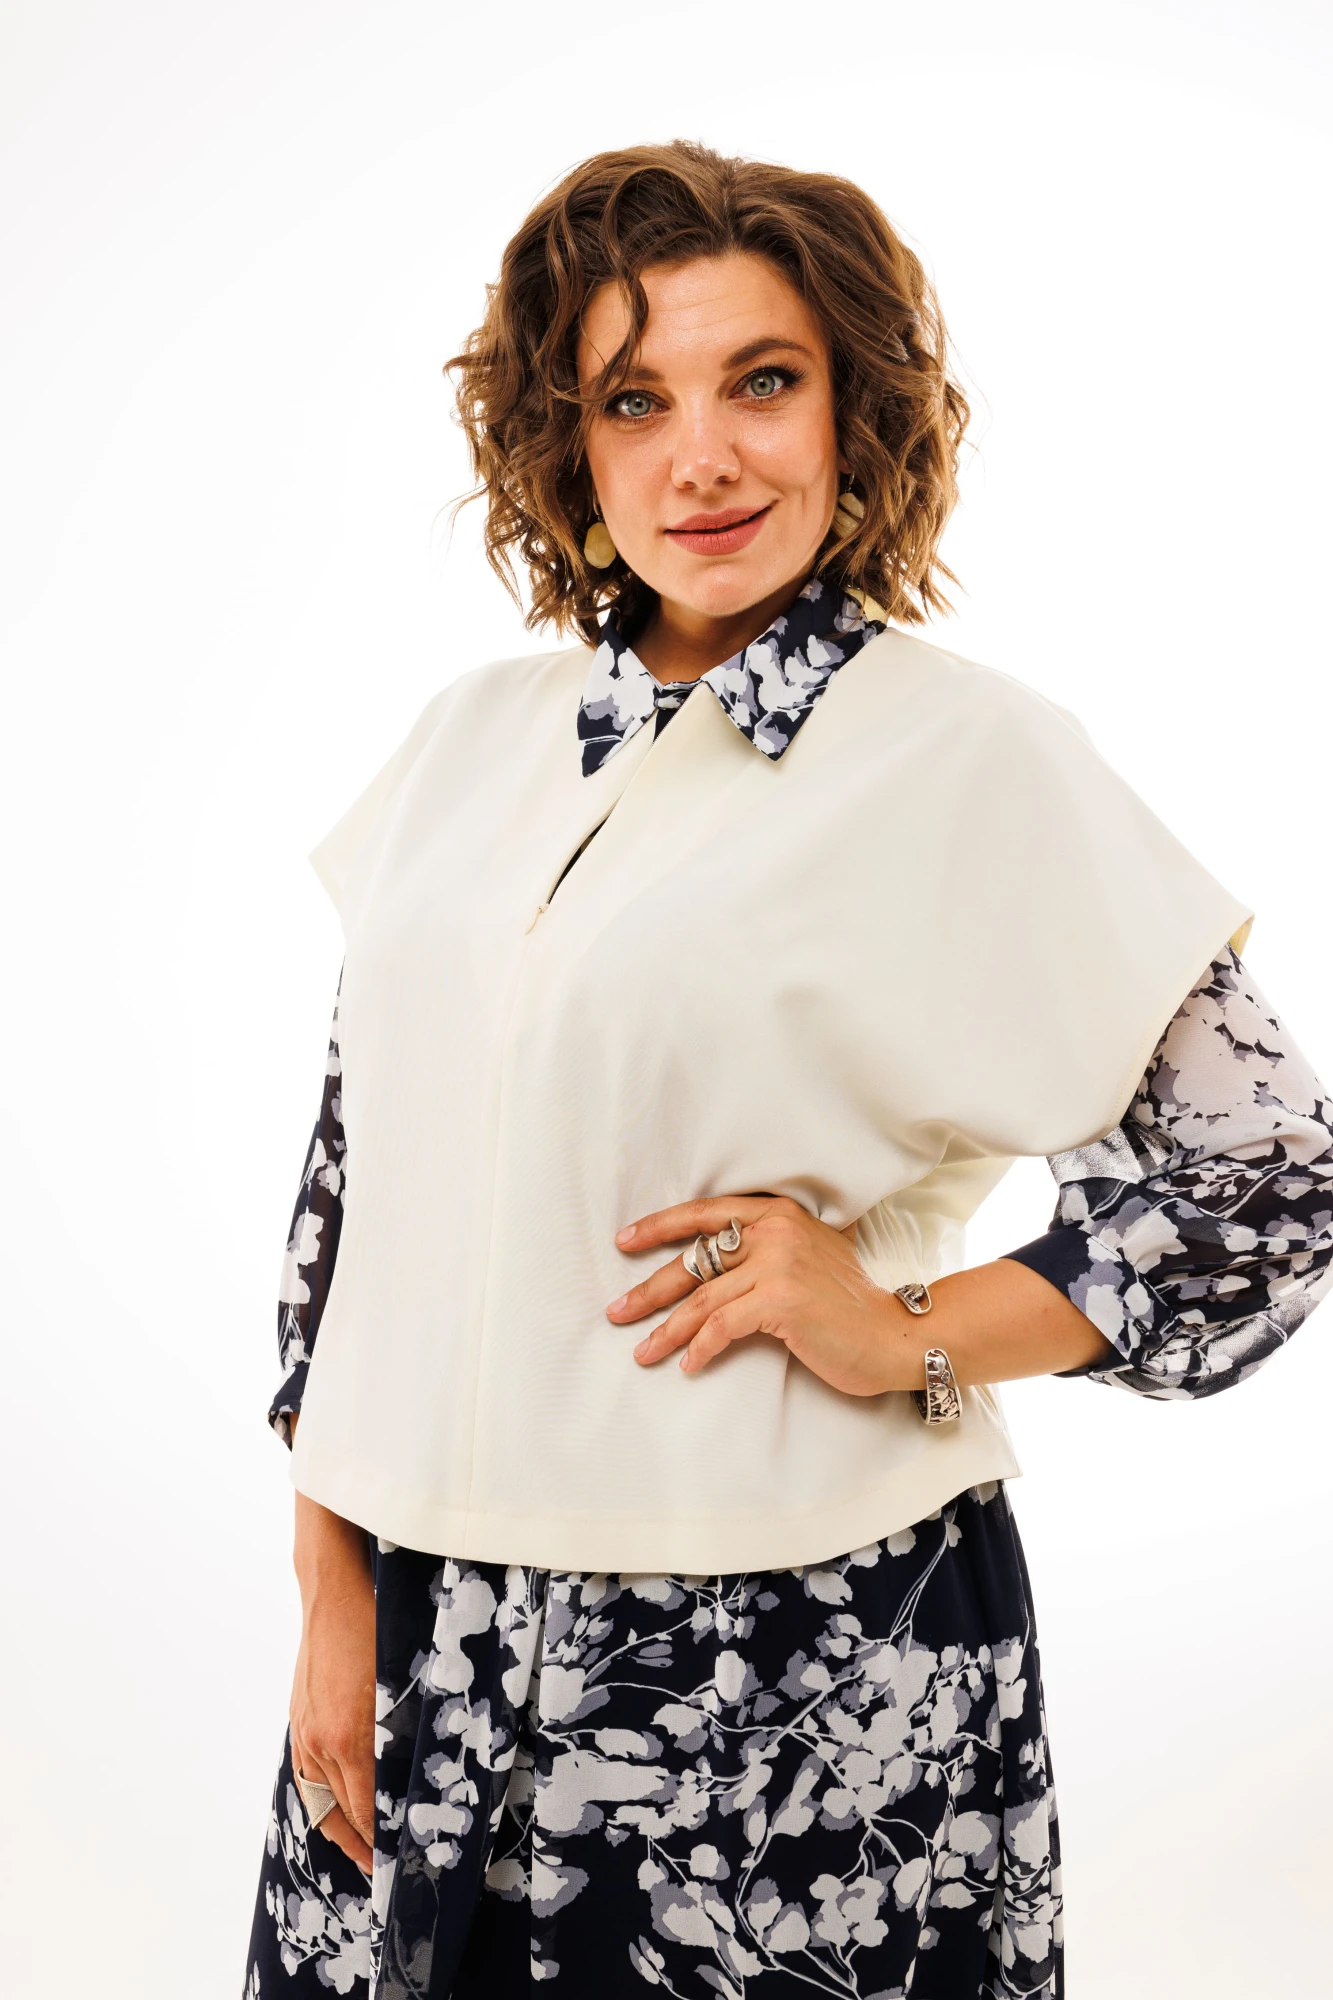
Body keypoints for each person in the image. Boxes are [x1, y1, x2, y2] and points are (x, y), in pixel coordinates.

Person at [244, 142, 1333, 2000]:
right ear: (567, 446)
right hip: (425, 1643)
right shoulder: (472, 742)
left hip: (797, 1665)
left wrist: (905, 1327)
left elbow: (1275, 1180)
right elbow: (358, 1201)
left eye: (763, 381)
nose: (705, 459)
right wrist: (331, 1592)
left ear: (855, 412)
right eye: (634, 400)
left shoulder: (967, 757)